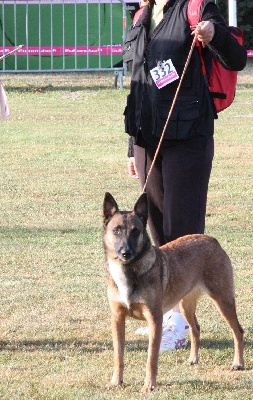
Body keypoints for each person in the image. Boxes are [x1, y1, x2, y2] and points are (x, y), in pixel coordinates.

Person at [122, 0, 247, 351]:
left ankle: (177, 325)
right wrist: (134, 148)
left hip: (189, 137)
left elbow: (236, 58)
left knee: (185, 230)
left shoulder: (196, 6)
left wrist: (214, 34)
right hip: (150, 140)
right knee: (157, 232)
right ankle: (164, 314)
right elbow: (137, 86)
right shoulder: (141, 15)